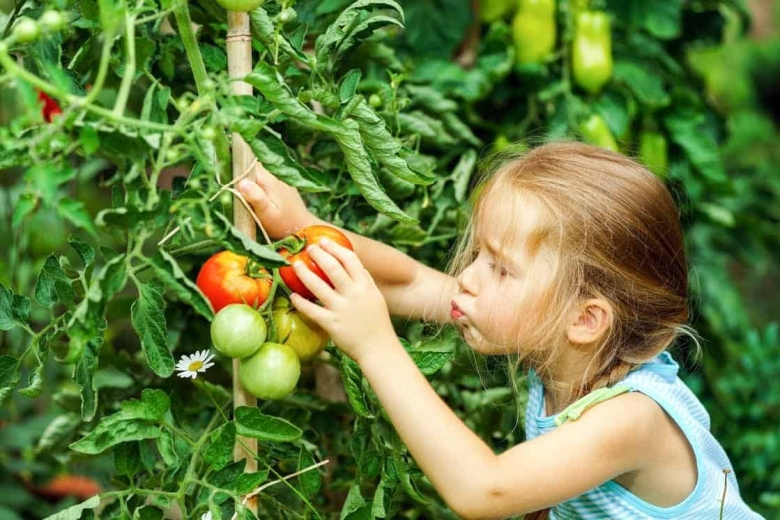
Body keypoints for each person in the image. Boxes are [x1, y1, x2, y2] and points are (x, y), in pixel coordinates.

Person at [237, 142, 762, 519]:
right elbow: (412, 282)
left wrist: (375, 346)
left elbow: (483, 490)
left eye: (501, 269)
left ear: (584, 319)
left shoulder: (631, 419)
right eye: (479, 256)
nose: (467, 278)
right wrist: (303, 232)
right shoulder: (561, 341)